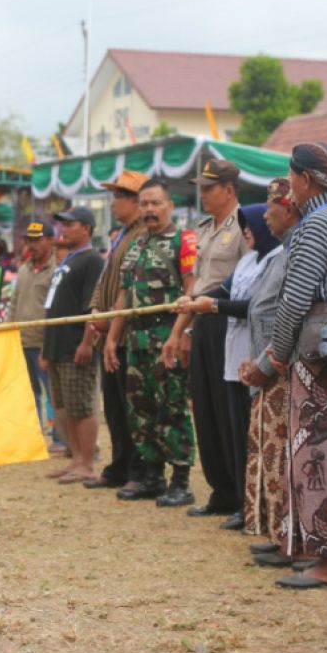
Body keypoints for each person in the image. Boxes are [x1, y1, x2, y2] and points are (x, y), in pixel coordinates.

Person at [247, 142, 327, 589]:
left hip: (320, 355)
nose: (291, 185)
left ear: (306, 179)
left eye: (292, 176)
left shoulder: (316, 224)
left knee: (318, 452)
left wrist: (274, 356)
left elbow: (294, 299)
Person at [178, 203, 280, 527]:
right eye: (244, 225)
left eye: (250, 224)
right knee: (231, 430)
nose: (247, 230)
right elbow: (220, 291)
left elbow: (258, 305)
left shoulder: (277, 261)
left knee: (249, 433)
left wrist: (215, 305)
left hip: (257, 354)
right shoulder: (249, 259)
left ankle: (249, 502)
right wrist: (193, 302)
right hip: (233, 354)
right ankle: (235, 497)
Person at [104, 180, 198, 505]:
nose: (149, 210)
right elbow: (124, 295)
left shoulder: (183, 241)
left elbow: (191, 291)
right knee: (141, 411)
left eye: (155, 203)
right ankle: (152, 476)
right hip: (137, 340)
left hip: (167, 337)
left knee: (172, 408)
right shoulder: (136, 244)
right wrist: (112, 338)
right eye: (144, 204)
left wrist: (181, 335)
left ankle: (181, 481)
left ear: (170, 205)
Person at [169, 158, 245, 524]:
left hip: (229, 321)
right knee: (205, 409)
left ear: (228, 190)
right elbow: (194, 285)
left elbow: (249, 280)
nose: (202, 193)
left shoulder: (246, 225)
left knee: (229, 411)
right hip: (200, 321)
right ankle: (221, 490)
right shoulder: (203, 229)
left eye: (209, 187)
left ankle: (241, 492)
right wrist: (181, 331)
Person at [236, 180, 301, 558]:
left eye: (269, 206)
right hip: (266, 365)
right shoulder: (281, 254)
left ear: (288, 207)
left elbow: (288, 314)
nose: (264, 214)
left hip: (282, 368)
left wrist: (268, 362)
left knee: (283, 457)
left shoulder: (297, 252)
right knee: (270, 454)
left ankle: (288, 535)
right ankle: (278, 531)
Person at [83, 170, 148, 492]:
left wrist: (111, 322)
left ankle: (137, 469)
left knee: (130, 406)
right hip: (109, 330)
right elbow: (104, 281)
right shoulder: (120, 236)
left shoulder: (141, 236)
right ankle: (119, 465)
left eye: (118, 197)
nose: (113, 203)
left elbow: (130, 285)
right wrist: (96, 310)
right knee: (113, 406)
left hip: (127, 334)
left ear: (135, 201)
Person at [42, 206, 104, 484]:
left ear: (87, 228)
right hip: (57, 345)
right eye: (62, 224)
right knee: (64, 407)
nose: (64, 229)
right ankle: (76, 458)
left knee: (81, 406)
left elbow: (93, 306)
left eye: (71, 224)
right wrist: (46, 347)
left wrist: (87, 342)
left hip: (75, 344)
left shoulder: (92, 260)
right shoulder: (68, 260)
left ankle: (88, 463)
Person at [9, 220, 58, 445]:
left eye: (37, 240)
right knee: (29, 393)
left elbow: (55, 310)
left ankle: (59, 439)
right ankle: (33, 435)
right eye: (29, 240)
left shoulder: (56, 269)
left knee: (53, 393)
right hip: (21, 340)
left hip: (43, 342)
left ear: (50, 240)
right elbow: (14, 303)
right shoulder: (23, 269)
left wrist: (49, 345)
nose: (32, 244)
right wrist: (8, 332)